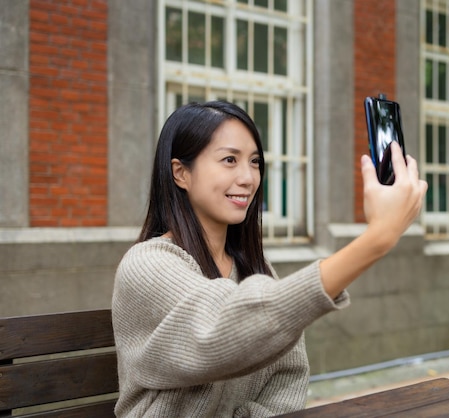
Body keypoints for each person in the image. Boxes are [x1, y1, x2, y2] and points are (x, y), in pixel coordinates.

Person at [111, 100, 428, 417]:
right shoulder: (147, 265)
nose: (248, 178)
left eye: (254, 162)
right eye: (229, 160)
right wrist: (377, 238)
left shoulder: (254, 269)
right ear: (181, 173)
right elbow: (225, 330)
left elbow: (288, 377)